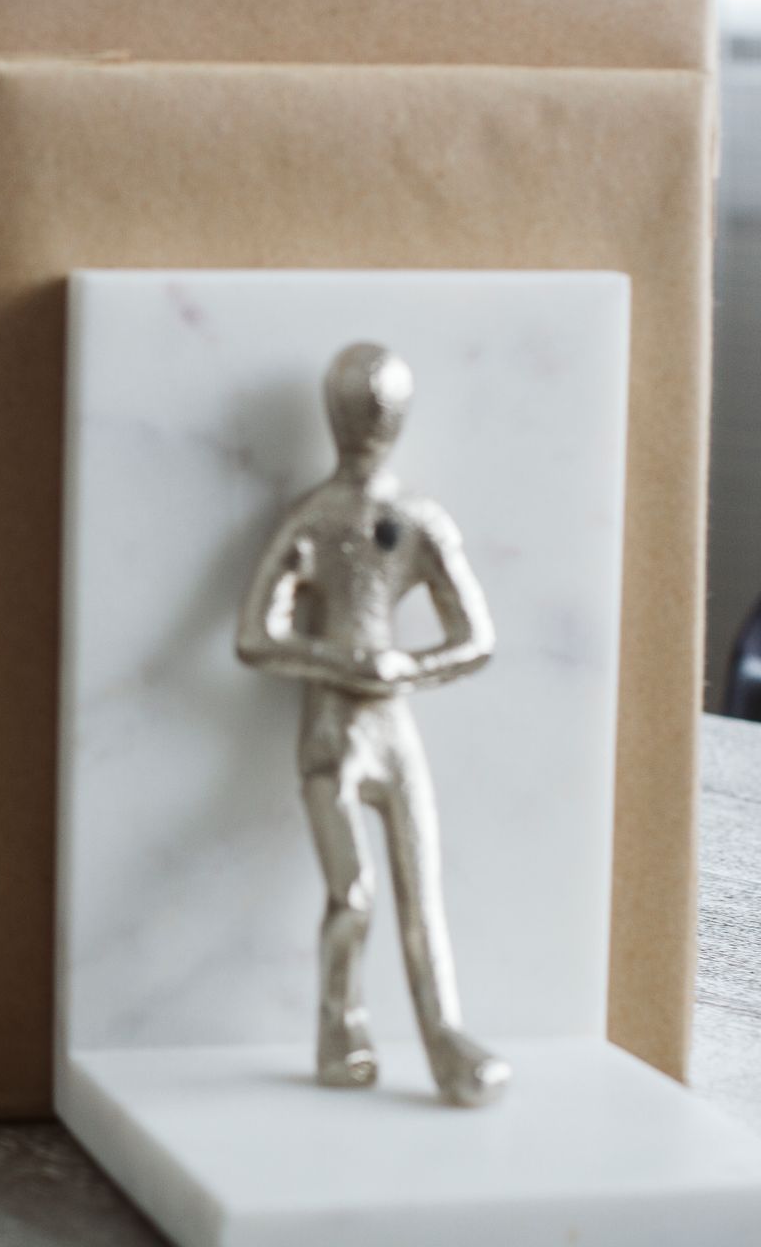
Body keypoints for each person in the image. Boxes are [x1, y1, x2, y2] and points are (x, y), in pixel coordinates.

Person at [235, 341, 508, 1108]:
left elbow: (475, 637)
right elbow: (255, 636)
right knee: (353, 892)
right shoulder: (314, 521)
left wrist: (406, 669)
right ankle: (340, 1030)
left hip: (393, 726)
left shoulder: (416, 519)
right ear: (334, 416)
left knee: (422, 892)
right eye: (356, 408)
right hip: (331, 731)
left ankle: (445, 1040)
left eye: (380, 409)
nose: (368, 423)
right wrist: (342, 664)